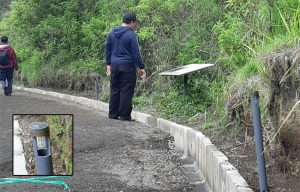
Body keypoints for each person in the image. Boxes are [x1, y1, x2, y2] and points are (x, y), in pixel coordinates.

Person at [105, 12, 146, 121]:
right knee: (126, 90)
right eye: (135, 23)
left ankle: (113, 114)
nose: (135, 25)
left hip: (114, 65)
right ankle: (124, 115)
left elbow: (108, 49)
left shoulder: (111, 33)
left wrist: (108, 64)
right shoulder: (131, 35)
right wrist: (141, 67)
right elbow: (136, 52)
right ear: (131, 22)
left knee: (114, 89)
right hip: (127, 66)